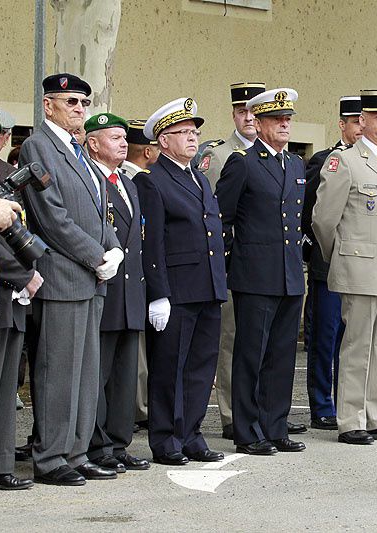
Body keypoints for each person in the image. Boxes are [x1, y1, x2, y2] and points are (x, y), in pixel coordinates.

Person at [19, 73, 123, 485]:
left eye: (83, 103)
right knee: (58, 372)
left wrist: (114, 248)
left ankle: (77, 452)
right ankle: (50, 458)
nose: (80, 109)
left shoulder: (78, 151)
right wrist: (97, 255)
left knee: (84, 374)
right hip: (63, 276)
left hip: (90, 279)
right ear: (49, 106)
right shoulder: (37, 146)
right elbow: (52, 217)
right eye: (71, 102)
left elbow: (101, 211)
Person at [312, 89, 377, 445]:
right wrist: (340, 257)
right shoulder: (345, 162)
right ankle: (351, 419)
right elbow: (324, 220)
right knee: (357, 347)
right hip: (359, 269)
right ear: (362, 121)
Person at [135, 97, 227, 465]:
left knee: (201, 367)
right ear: (162, 141)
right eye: (183, 132)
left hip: (206, 287)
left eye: (194, 132)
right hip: (176, 290)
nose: (192, 138)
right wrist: (159, 294)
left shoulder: (200, 178)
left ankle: (191, 433)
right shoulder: (153, 181)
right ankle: (166, 439)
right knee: (169, 368)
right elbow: (152, 242)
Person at [216, 88, 306, 456]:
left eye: (287, 119)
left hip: (288, 273)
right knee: (251, 354)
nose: (285, 124)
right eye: (276, 119)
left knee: (282, 355)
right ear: (258, 122)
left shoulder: (296, 164)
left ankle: (275, 425)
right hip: (254, 273)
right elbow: (222, 218)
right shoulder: (244, 162)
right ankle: (248, 430)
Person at [198, 82, 267, 441]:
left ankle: (261, 410)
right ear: (234, 115)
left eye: (256, 112)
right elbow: (213, 212)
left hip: (263, 264)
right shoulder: (219, 154)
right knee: (231, 337)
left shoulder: (273, 155)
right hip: (231, 260)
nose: (250, 119)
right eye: (243, 112)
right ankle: (229, 412)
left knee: (261, 341)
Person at [84, 113, 150, 472]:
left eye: (125, 138)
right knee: (100, 374)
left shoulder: (128, 181)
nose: (125, 144)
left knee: (125, 375)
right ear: (93, 143)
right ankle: (98, 446)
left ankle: (119, 441)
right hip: (105, 290)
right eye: (115, 138)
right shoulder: (90, 180)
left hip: (130, 294)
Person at [0, 106, 37, 494]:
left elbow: (15, 231)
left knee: (3, 388)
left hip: (8, 295)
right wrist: (26, 274)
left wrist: (34, 264)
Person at [301, 96, 362, 431]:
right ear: (342, 125)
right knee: (326, 340)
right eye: (355, 122)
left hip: (362, 269)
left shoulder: (375, 162)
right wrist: (317, 252)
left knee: (354, 343)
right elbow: (310, 212)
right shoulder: (327, 160)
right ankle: (322, 405)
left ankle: (349, 405)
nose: (360, 128)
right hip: (330, 263)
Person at [119, 119, 159, 430]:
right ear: (147, 151)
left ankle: (139, 406)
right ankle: (139, 407)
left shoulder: (131, 180)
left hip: (137, 273)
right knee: (137, 350)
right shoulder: (140, 182)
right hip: (134, 274)